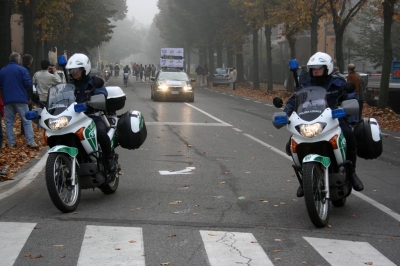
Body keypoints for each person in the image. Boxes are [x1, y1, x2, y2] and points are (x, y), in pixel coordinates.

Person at [283, 52, 364, 197]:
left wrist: (347, 107)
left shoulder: (338, 83)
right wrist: (286, 112)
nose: (316, 71)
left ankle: (351, 173)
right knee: (293, 141)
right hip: (310, 120)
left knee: (349, 135)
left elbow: (350, 96)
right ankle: (305, 180)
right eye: (313, 69)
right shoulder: (306, 85)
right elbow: (293, 100)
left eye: (319, 68)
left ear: (327, 68)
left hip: (335, 119)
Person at [65, 53, 116, 173]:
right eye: (71, 70)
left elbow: (102, 94)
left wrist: (95, 99)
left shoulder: (94, 82)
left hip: (93, 117)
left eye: (76, 70)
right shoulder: (69, 86)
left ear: (84, 69)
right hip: (74, 119)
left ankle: (109, 159)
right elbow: (61, 99)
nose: (73, 73)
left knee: (100, 133)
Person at [0, 52, 37, 148]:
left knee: (9, 122)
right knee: (26, 120)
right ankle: (30, 141)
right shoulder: (22, 70)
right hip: (20, 98)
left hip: (7, 99)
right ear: (17, 60)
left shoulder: (3, 71)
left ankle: (11, 142)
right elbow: (28, 83)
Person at [21, 54, 34, 136]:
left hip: (21, 95)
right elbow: (29, 85)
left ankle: (23, 131)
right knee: (27, 114)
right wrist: (29, 97)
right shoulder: (27, 71)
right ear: (30, 62)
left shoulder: (21, 69)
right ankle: (26, 132)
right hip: (26, 96)